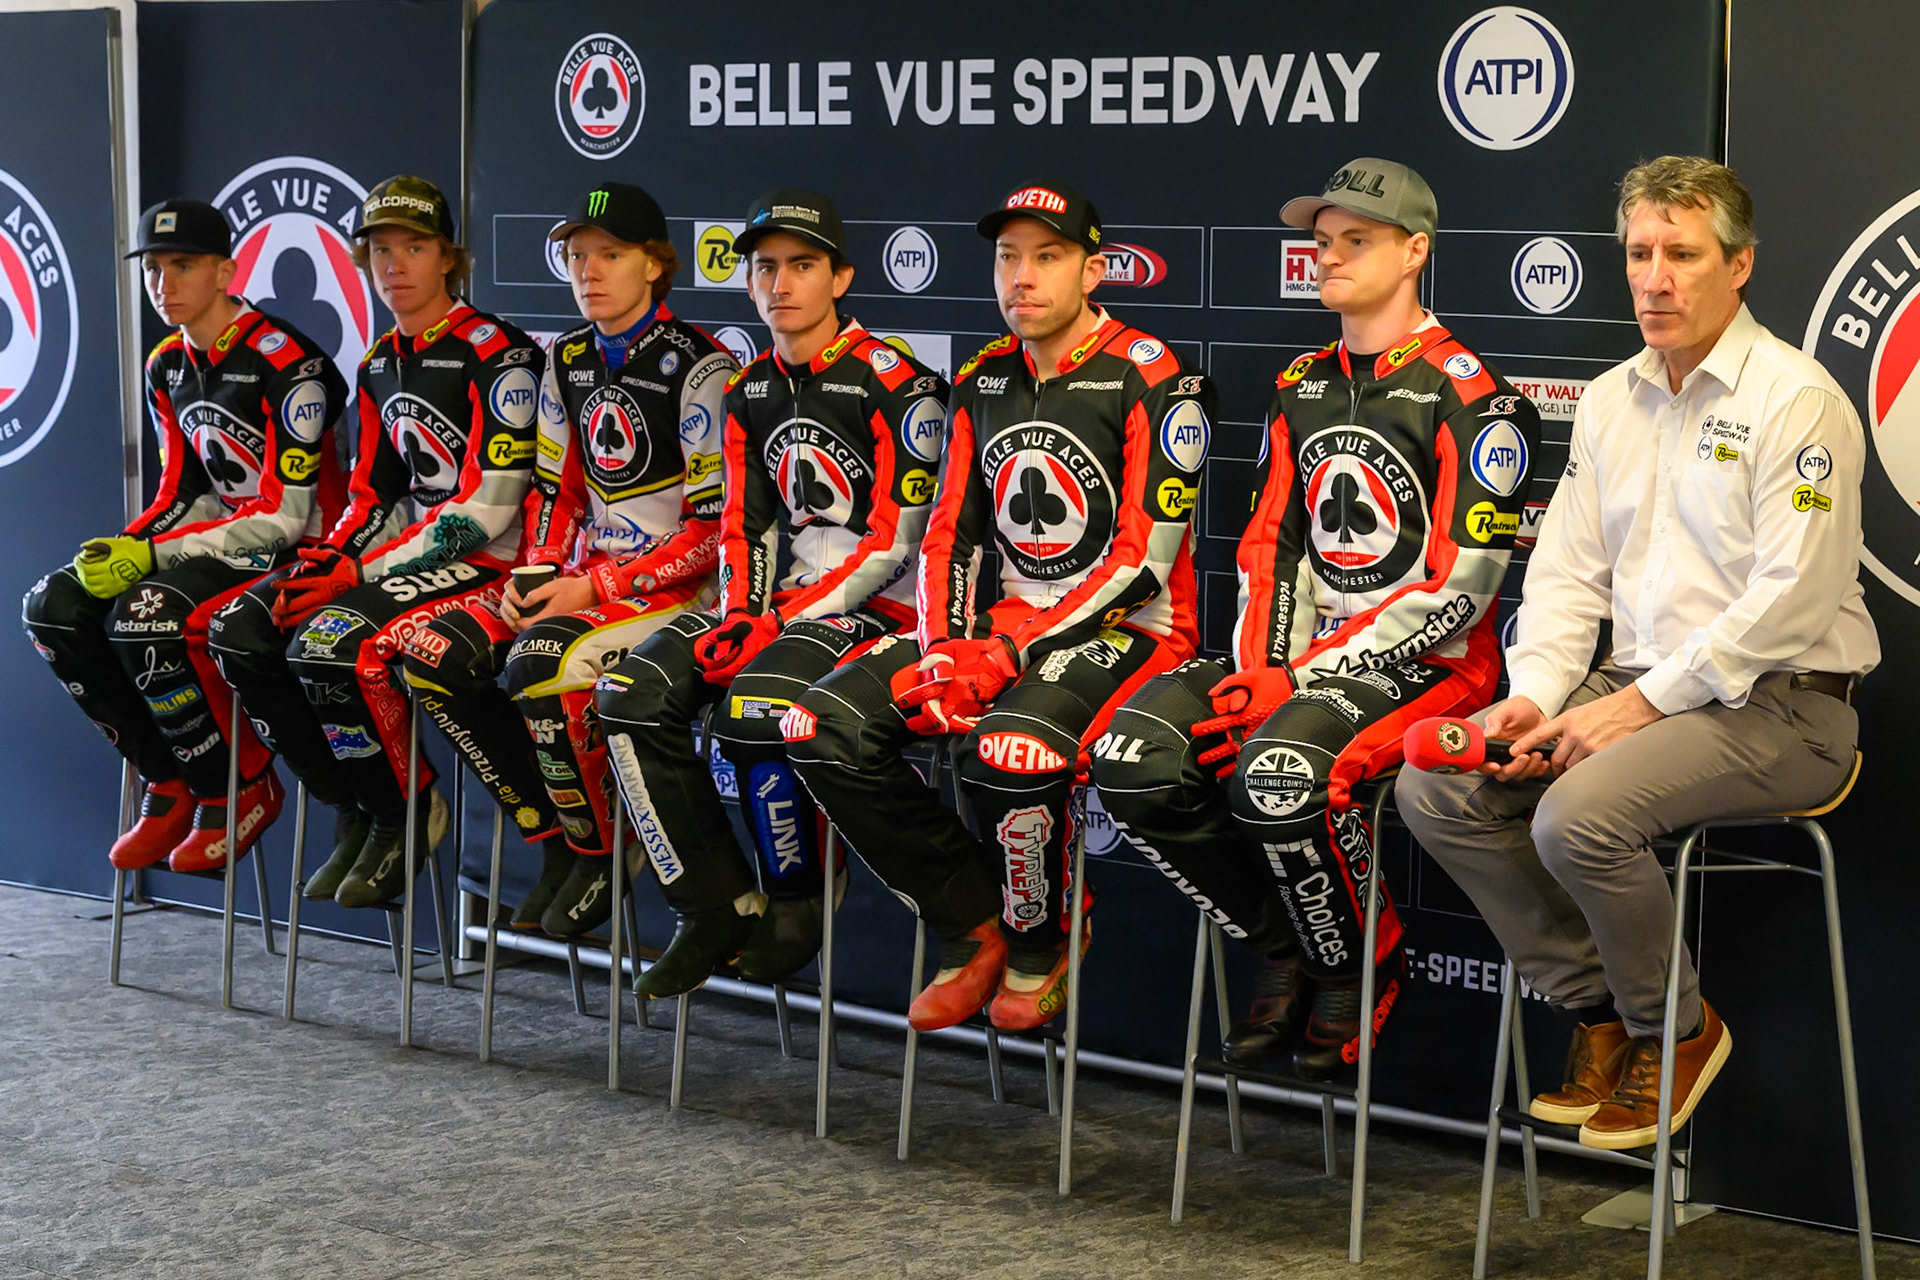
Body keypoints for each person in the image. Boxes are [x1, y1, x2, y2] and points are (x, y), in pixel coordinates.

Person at [1395, 156, 1878, 1148]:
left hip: (1788, 704)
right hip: (1646, 684)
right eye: (1640, 253)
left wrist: (1638, 705)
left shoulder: (1798, 398)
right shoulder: (1611, 398)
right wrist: (1534, 695)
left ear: (1739, 265)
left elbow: (1795, 599)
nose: (1656, 279)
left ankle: (1679, 1029)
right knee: (1437, 792)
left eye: (1684, 255)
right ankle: (1603, 1011)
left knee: (1578, 815)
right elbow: (1568, 576)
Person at [1092, 159, 1540, 1078]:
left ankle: (1357, 961)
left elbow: (1463, 592)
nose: (1328, 257)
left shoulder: (1477, 398)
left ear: (1416, 251)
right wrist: (1263, 667)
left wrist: (1294, 681)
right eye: (1323, 241)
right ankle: (1292, 939)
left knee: (1279, 775)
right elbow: (1270, 547)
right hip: (1295, 659)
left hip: (1432, 665)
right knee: (1131, 761)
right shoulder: (1301, 383)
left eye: (1357, 241)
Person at [788, 181, 1217, 1032]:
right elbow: (950, 536)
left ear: (1093, 269)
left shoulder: (1158, 378)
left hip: (1136, 630)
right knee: (820, 728)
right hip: (1004, 630)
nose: (1021, 277)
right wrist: (946, 645)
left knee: (1009, 749)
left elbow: (1144, 566)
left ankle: (1040, 940)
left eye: (1046, 257)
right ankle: (967, 921)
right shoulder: (983, 376)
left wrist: (1009, 654)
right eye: (1007, 257)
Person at [596, 188, 949, 996]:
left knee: (751, 710)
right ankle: (713, 905)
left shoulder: (900, 383)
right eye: (765, 269)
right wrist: (749, 612)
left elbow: (898, 544)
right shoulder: (749, 389)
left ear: (842, 277)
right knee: (629, 696)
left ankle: (799, 892)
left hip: (878, 610)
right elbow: (744, 530)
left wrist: (784, 617)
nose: (781, 284)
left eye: (802, 266)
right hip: (779, 604)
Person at [399, 181, 734, 937]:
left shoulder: (702, 366)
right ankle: (551, 840)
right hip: (586, 581)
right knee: (434, 653)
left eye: (609, 255)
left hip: (676, 591)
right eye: (577, 255)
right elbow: (556, 493)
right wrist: (539, 574)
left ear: (654, 265)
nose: (588, 270)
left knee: (541, 661)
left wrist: (595, 584)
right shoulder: (567, 356)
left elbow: (712, 532)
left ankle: (602, 848)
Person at [209, 175, 543, 909]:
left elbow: (488, 511)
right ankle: (356, 803)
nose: (395, 264)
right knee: (244, 628)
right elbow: (371, 497)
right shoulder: (377, 362)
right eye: (380, 249)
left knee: (328, 642)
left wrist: (360, 568)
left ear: (448, 259)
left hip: (488, 564)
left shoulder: (499, 354)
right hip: (405, 556)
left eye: (414, 247)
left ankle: (406, 810)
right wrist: (337, 557)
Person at [23, 198, 348, 873]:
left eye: (184, 265)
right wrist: (127, 544)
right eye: (153, 268)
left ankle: (235, 787)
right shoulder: (166, 362)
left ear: (227, 269)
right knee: (53, 606)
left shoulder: (288, 363)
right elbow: (181, 493)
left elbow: (286, 518)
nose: (163, 283)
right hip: (226, 539)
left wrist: (153, 553)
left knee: (146, 616)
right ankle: (167, 781)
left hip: (300, 548)